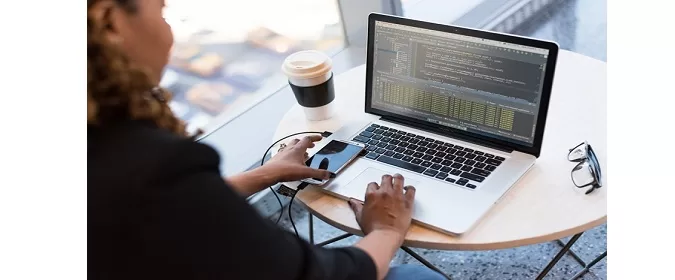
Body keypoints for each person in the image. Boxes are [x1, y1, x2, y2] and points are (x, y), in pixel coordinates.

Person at [87, 0, 446, 279]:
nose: (168, 28)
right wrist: (385, 230)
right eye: (162, 9)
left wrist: (264, 173)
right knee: (416, 276)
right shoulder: (155, 167)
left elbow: (170, 207)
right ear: (110, 22)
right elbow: (320, 275)